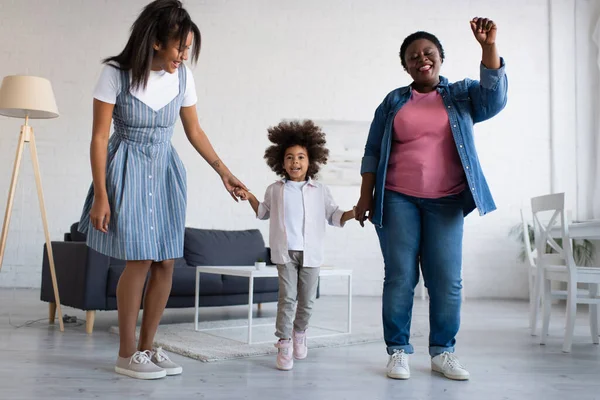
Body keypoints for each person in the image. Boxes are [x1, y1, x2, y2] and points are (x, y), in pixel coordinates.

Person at [78, 0, 246, 380]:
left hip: (166, 171)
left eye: (188, 49)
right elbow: (99, 137)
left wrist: (225, 173)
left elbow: (194, 131)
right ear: (155, 41)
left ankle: (147, 348)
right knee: (138, 259)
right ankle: (125, 353)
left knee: (167, 261)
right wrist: (101, 195)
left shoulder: (183, 78)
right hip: (127, 168)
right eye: (179, 47)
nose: (184, 56)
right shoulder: (115, 74)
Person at [354, 17, 507, 381]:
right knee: (400, 277)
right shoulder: (393, 101)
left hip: (447, 201)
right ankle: (397, 351)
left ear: (440, 57)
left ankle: (443, 351)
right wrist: (364, 196)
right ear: (405, 65)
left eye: (428, 52)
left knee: (447, 280)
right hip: (396, 200)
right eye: (412, 56)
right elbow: (373, 151)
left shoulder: (461, 95)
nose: (421, 59)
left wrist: (488, 47)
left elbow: (495, 98)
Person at [236, 120, 355, 371]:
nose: (295, 162)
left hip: (311, 254)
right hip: (284, 252)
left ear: (311, 160)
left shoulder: (320, 190)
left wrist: (353, 213)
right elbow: (262, 212)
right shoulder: (275, 190)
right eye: (289, 157)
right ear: (281, 162)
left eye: (301, 157)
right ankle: (284, 342)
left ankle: (300, 332)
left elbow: (334, 215)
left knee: (307, 300)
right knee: (287, 298)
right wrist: (249, 196)